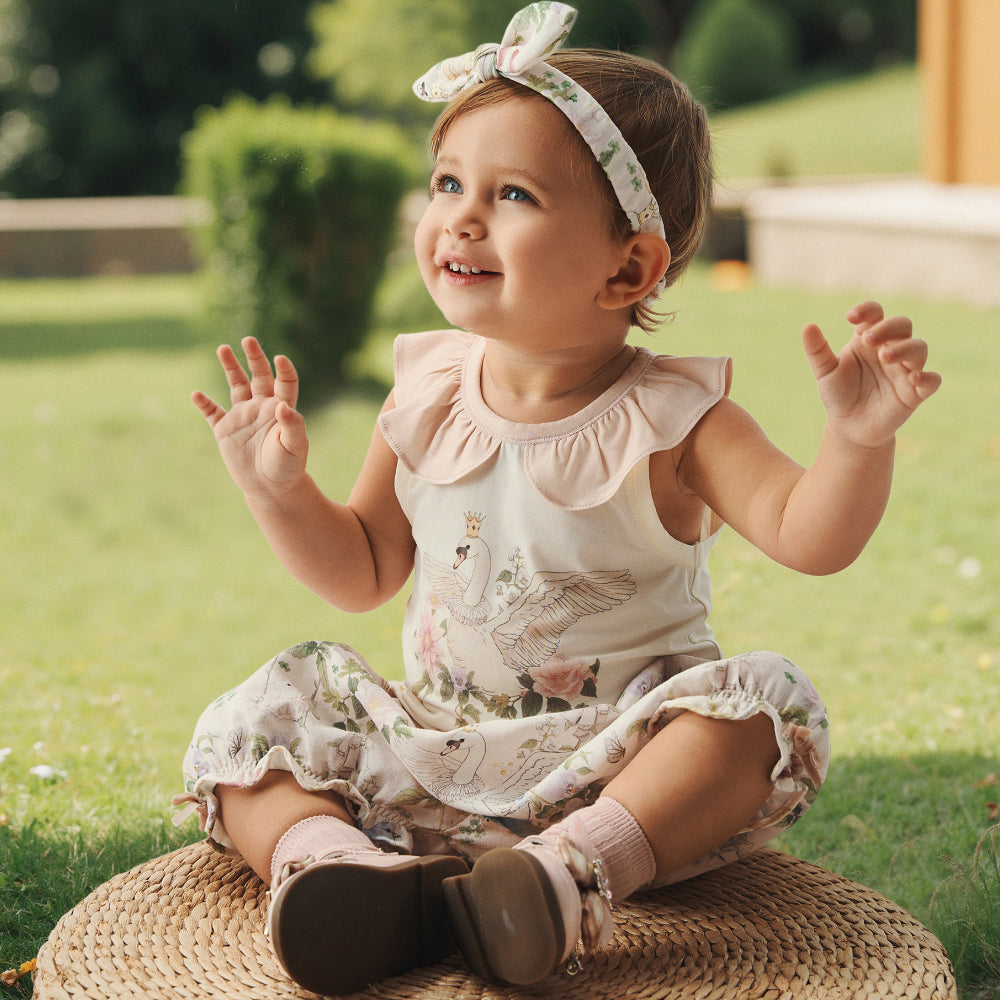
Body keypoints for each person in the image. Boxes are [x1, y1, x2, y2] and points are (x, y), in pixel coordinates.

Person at [175, 3, 940, 995]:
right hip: (433, 747)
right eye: (448, 183)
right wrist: (278, 491)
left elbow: (810, 535)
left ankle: (564, 873)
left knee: (762, 706)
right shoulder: (426, 392)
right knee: (254, 717)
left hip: (615, 762)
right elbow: (360, 570)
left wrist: (855, 439)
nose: (459, 215)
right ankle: (337, 869)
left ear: (629, 265)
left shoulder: (674, 416)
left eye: (513, 194)